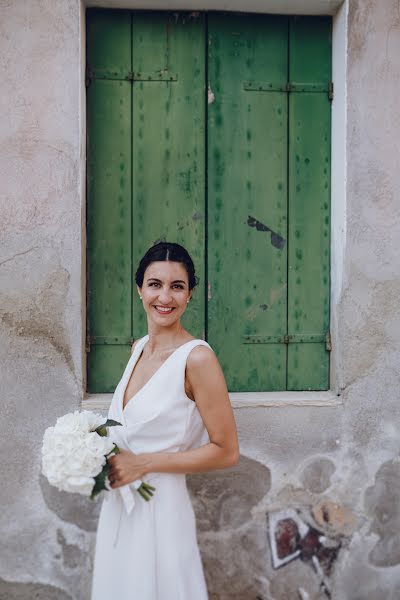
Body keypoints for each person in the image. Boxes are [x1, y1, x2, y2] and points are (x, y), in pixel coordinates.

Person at [91, 241, 239, 600]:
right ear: (139, 289)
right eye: (155, 284)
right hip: (119, 508)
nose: (165, 297)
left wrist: (144, 463)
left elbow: (226, 451)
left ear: (190, 295)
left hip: (162, 510)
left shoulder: (197, 359)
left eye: (177, 286)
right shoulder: (138, 347)